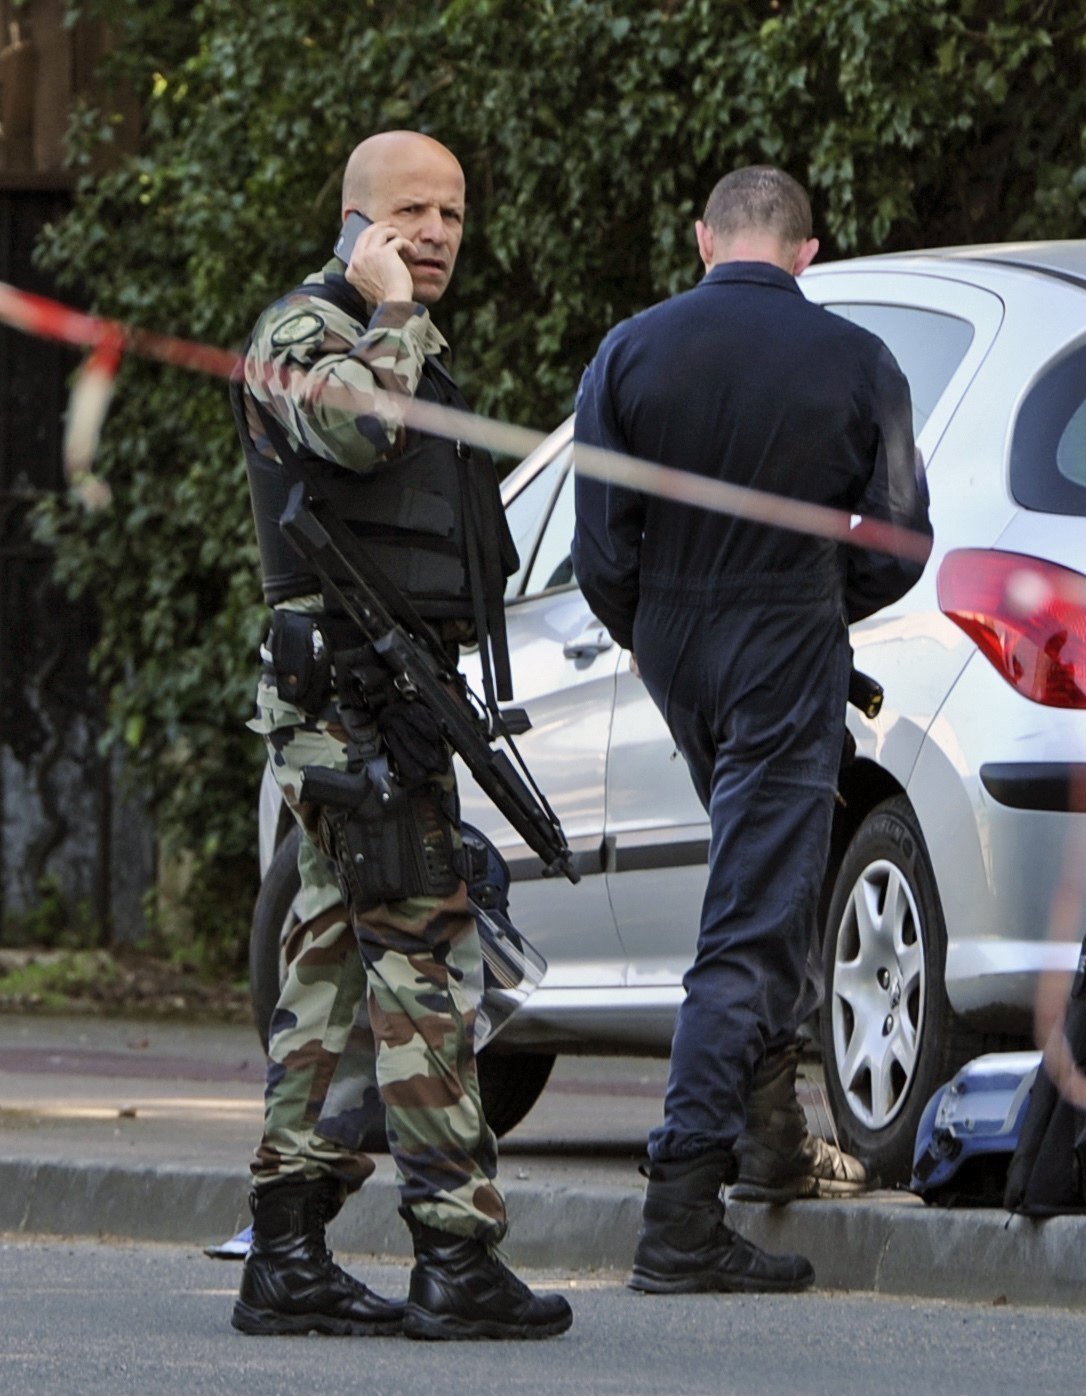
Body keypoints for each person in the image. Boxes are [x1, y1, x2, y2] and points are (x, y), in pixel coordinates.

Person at [229, 130, 570, 1341]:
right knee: (429, 957)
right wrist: (386, 310)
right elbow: (355, 434)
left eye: (454, 216)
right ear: (359, 222)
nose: (434, 236)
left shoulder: (399, 338)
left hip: (388, 698)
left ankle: (286, 1253)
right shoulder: (305, 333)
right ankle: (456, 1255)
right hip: (346, 703)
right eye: (411, 213)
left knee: (327, 967)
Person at [572, 165, 928, 1294]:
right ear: (807, 252)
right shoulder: (861, 362)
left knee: (763, 881)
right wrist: (823, 605)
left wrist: (655, 626)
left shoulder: (627, 350)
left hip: (674, 635)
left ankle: (771, 1140)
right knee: (750, 910)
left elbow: (597, 549)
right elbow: (899, 538)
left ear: (702, 239)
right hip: (786, 631)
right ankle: (682, 1207)